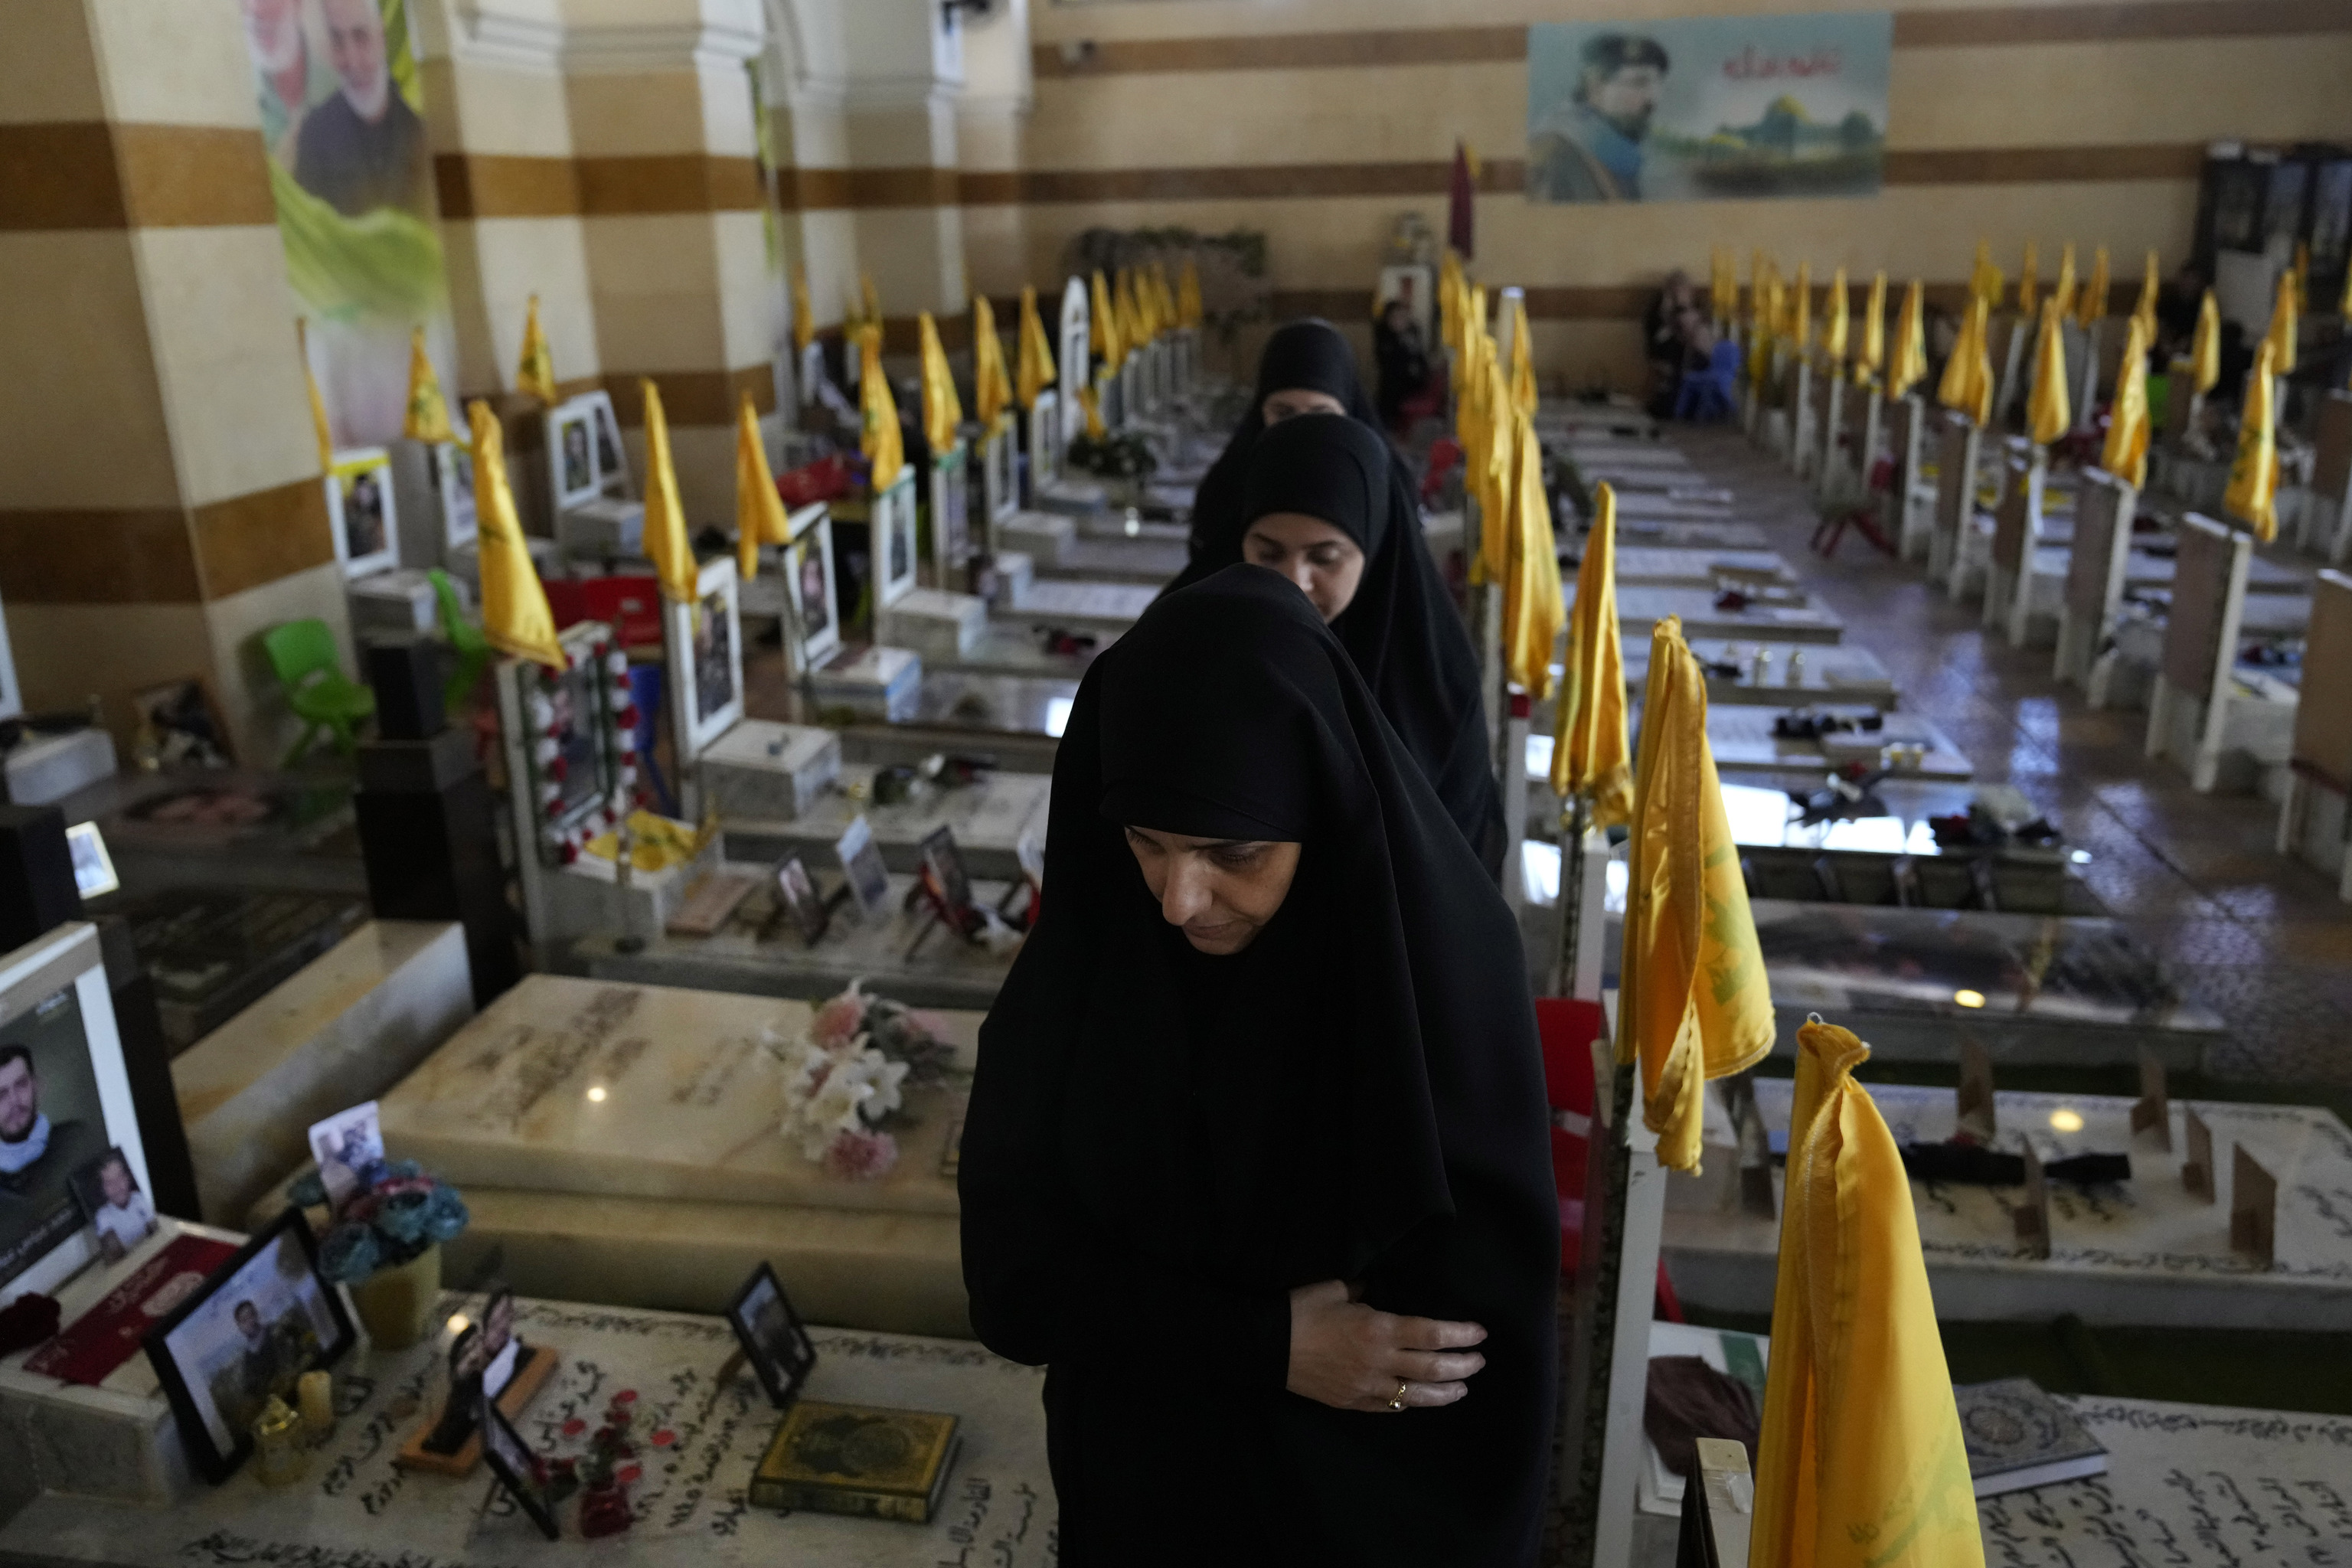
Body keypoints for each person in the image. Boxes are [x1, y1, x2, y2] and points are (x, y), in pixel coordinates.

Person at [959, 567, 1560, 1566]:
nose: (1179, 901)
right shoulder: (1092, 969)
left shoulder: (1441, 989)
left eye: (1232, 852)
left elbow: (1470, 1379)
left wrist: (1159, 1331)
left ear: (1324, 813)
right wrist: (1264, 1345)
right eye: (1148, 844)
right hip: (1139, 1505)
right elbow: (1015, 1285)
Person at [1230, 413, 1508, 877]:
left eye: (1324, 558)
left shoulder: (1434, 685)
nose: (1293, 583)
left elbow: (1458, 864)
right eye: (1268, 553)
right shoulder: (1209, 651)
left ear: (1374, 548)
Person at [1178, 318, 1383, 586]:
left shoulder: (1382, 493)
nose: (1301, 430)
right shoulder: (1225, 492)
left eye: (1321, 415)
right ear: (1261, 410)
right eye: (1284, 413)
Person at [293, 0, 430, 219]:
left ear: (382, 40)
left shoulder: (422, 127)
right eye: (338, 40)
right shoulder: (314, 137)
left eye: (361, 36)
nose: (352, 61)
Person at [1528, 32, 1671, 202]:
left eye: (1657, 84)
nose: (1653, 99)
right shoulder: (1553, 155)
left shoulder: (1620, 158)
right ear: (1595, 87)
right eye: (1638, 83)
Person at [0, 1045, 105, 1216]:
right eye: (1, 1094)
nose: (14, 1101)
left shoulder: (77, 1139)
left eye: (21, 1085)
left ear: (36, 1086)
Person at [1373, 299, 1431, 434]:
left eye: (1402, 317)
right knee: (1389, 389)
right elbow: (1386, 362)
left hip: (1412, 380)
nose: (1399, 321)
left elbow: (1421, 360)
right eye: (1395, 318)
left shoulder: (1412, 333)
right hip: (1392, 380)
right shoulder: (1384, 335)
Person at [86, 1152, 155, 1260]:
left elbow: (156, 1229)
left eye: (120, 1178)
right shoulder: (103, 1216)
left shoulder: (139, 1198)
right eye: (110, 1182)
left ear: (128, 1178)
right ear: (103, 1189)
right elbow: (116, 1252)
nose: (117, 1186)